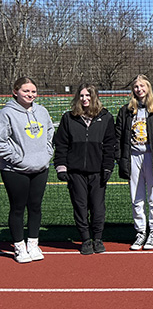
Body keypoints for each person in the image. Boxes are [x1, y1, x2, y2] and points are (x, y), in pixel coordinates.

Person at [54, 83, 116, 255]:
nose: (85, 99)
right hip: (75, 172)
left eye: (88, 95)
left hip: (97, 172)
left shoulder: (106, 117)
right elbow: (61, 144)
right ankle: (86, 239)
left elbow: (110, 145)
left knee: (98, 207)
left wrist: (107, 167)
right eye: (81, 95)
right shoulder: (69, 118)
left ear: (94, 97)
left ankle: (97, 238)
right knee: (80, 206)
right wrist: (61, 167)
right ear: (77, 98)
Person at [0, 78, 54, 263]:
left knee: (35, 206)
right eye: (26, 91)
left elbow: (49, 132)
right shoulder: (7, 113)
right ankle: (19, 246)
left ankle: (33, 243)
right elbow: (1, 141)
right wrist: (18, 159)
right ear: (15, 92)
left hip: (40, 167)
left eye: (33, 91)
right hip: (15, 170)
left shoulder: (42, 111)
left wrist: (47, 154)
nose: (30, 95)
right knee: (17, 208)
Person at [115, 74, 153, 251]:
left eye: (142, 86)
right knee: (136, 198)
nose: (139, 89)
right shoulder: (126, 110)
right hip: (133, 157)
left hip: (152, 158)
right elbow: (118, 136)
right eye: (136, 87)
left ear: (148, 88)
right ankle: (140, 231)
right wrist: (120, 156)